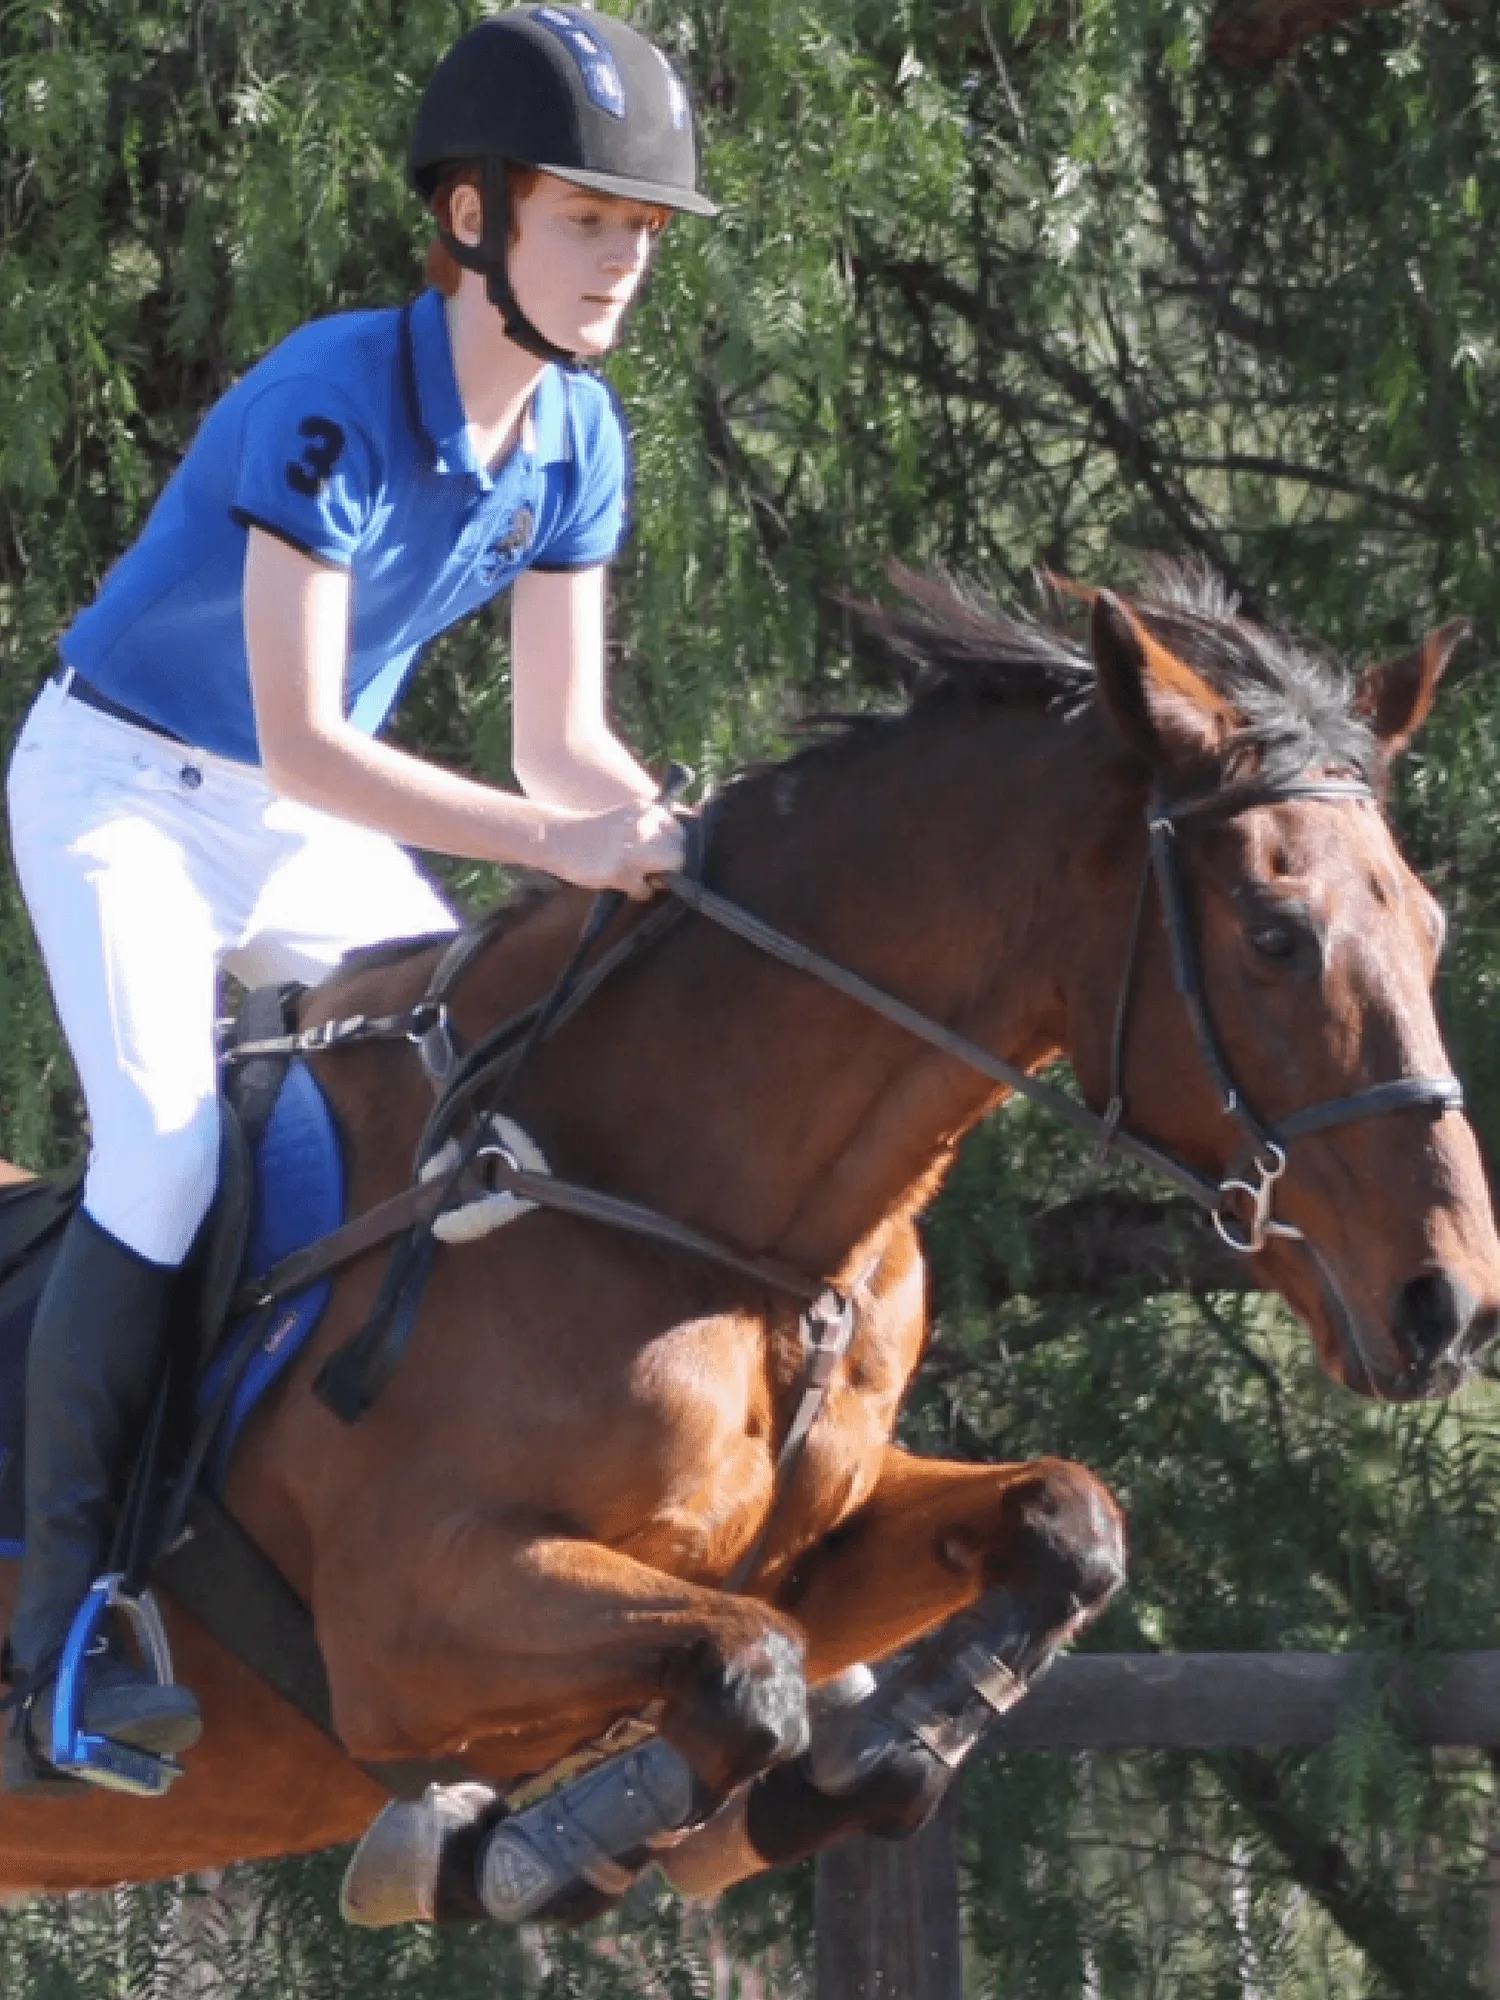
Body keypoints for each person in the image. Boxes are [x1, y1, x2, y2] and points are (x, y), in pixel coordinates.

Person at [2, 4, 716, 1796]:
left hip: (283, 820)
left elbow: (566, 742)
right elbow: (312, 741)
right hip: (122, 796)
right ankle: (64, 1646)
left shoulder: (579, 440)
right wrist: (557, 850)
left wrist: (686, 847)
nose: (623, 260)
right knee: (161, 1157)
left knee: (483, 1062)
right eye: (586, 220)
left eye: (639, 232)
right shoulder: (331, 397)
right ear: (471, 217)